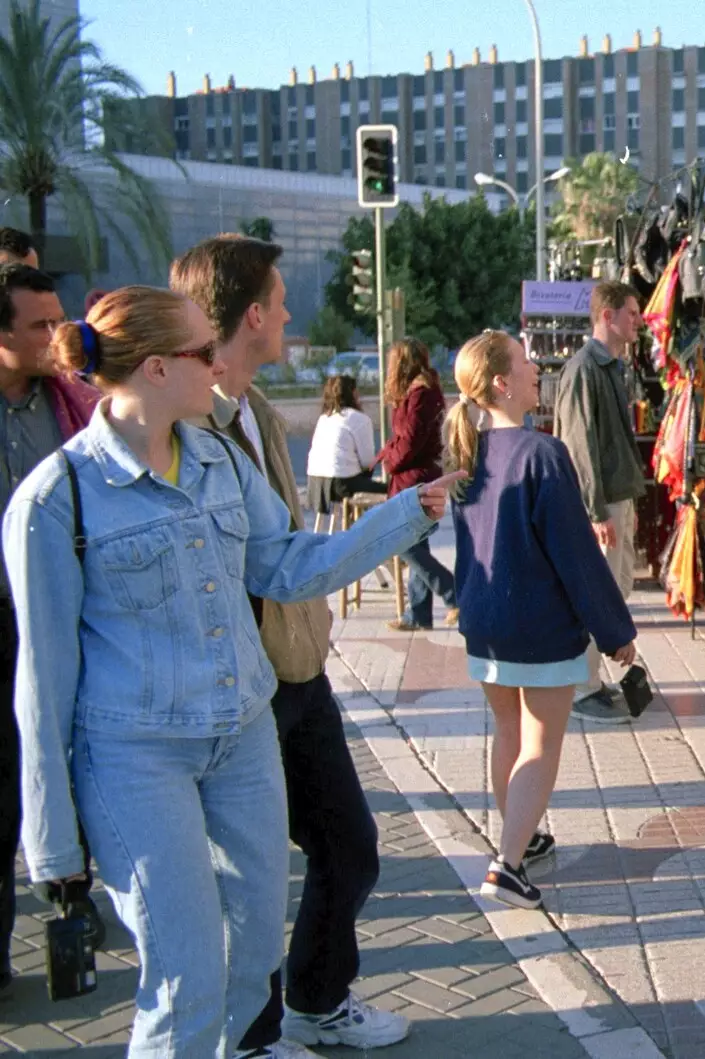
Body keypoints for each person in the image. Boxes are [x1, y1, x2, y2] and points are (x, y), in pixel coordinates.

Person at [4, 285, 458, 1057]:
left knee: (252, 971)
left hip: (243, 739)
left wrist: (407, 513)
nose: (216, 362)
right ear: (154, 369)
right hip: (136, 759)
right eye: (198, 350)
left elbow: (287, 564)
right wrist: (52, 847)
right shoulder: (57, 499)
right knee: (186, 983)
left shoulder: (216, 457)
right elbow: (42, 684)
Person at [171, 234, 410, 1056]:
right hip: (240, 692)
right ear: (252, 315)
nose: (291, 313)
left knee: (350, 846)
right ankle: (254, 1031)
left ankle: (315, 997)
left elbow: (289, 553)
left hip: (298, 674)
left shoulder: (259, 411)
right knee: (247, 878)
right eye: (279, 298)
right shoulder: (185, 428)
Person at [445, 331, 637, 908]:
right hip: (540, 626)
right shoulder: (542, 454)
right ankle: (506, 864)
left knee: (509, 733)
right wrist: (615, 632)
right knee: (541, 743)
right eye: (527, 363)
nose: (538, 370)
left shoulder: (466, 455)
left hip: (483, 620)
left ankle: (519, 844)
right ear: (502, 383)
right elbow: (575, 555)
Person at [0, 264, 101, 991]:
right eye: (40, 324)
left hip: (60, 622)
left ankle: (72, 894)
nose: (57, 335)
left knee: (62, 765)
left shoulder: (70, 403)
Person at [552, 281, 647, 725]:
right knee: (599, 595)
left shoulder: (609, 367)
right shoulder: (584, 369)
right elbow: (577, 445)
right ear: (607, 316)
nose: (638, 320)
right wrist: (594, 510)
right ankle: (582, 687)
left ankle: (587, 680)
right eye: (631, 312)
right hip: (603, 502)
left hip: (616, 498)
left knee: (617, 589)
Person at [377, 337, 457, 632]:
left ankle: (452, 591)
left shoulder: (421, 394)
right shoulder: (420, 393)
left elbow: (410, 442)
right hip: (417, 476)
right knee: (415, 541)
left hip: (415, 479)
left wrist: (389, 461)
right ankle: (419, 614)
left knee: (402, 542)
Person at [306, 374, 383, 519]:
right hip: (341, 484)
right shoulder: (359, 419)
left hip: (315, 484)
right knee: (393, 489)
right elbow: (367, 462)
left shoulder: (324, 418)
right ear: (354, 393)